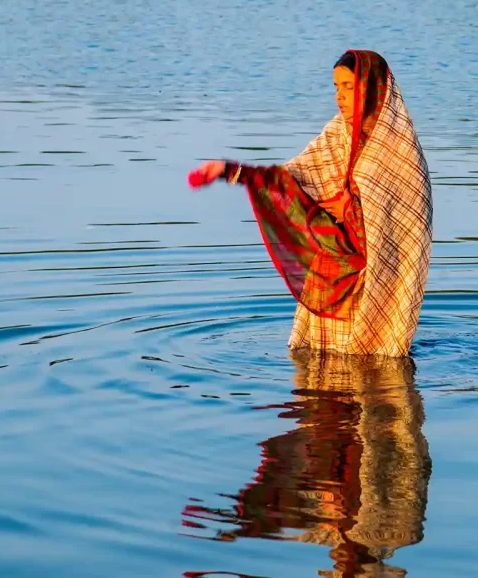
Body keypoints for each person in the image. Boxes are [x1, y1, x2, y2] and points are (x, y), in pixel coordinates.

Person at [189, 50, 432, 357]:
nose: (339, 96)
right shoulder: (338, 134)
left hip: (371, 283)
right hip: (332, 271)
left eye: (349, 87)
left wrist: (351, 209)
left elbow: (404, 224)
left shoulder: (397, 149)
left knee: (367, 358)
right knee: (319, 364)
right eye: (336, 87)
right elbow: (295, 177)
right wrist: (231, 171)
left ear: (371, 91)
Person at [181, 350, 432, 577]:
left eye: (341, 570)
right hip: (358, 435)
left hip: (361, 435)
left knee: (375, 356)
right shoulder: (394, 532)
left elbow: (286, 519)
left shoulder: (386, 532)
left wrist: (238, 530)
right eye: (346, 569)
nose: (337, 563)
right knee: (350, 353)